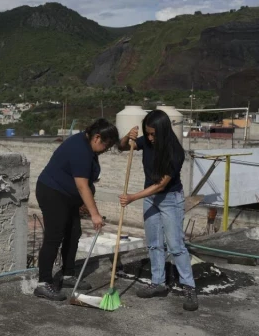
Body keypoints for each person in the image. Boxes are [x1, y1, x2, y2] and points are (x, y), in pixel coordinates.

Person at [117, 109, 199, 312]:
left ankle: (189, 287)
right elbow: (121, 147)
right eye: (148, 133)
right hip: (150, 198)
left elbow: (162, 185)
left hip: (170, 199)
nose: (150, 138)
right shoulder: (147, 140)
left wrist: (133, 197)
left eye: (153, 134)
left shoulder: (175, 152)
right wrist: (129, 136)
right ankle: (158, 283)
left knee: (175, 245)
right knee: (154, 244)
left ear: (163, 131)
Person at [34, 118, 119, 301]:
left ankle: (67, 275)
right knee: (54, 236)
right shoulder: (80, 149)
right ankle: (43, 283)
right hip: (53, 193)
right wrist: (95, 214)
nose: (106, 150)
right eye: (106, 145)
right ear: (97, 138)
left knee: (73, 233)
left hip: (68, 196)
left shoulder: (87, 143)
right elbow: (82, 186)